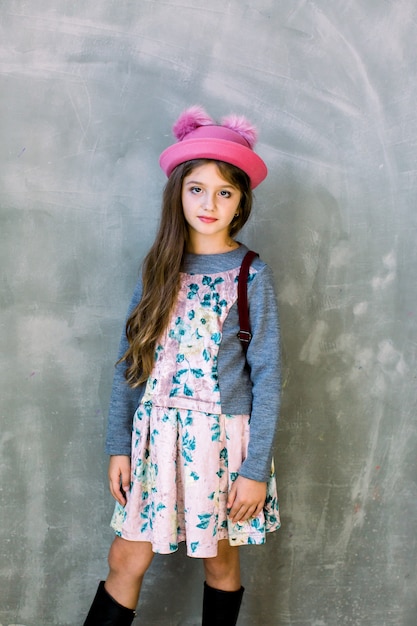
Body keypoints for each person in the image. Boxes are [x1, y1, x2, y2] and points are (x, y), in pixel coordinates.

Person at [83, 105, 281, 626]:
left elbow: (268, 378)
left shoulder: (250, 275)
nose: (209, 203)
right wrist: (118, 445)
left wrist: (254, 471)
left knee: (219, 561)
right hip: (155, 439)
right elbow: (132, 362)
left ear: (240, 202)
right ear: (179, 194)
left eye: (224, 192)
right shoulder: (157, 271)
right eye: (197, 189)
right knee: (126, 557)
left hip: (220, 445)